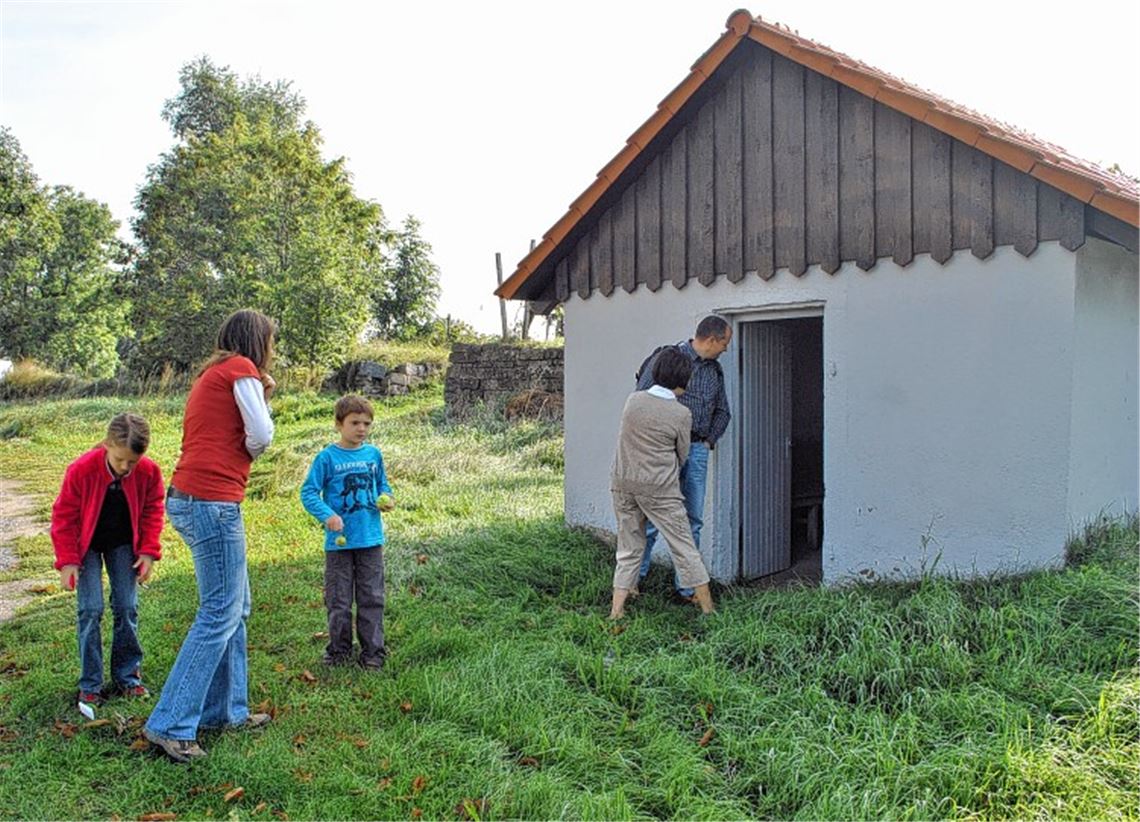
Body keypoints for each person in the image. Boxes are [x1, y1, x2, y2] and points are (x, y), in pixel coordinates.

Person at [144, 308, 276, 764]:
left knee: (235, 608)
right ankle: (171, 725)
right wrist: (258, 428)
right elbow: (260, 433)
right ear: (258, 342)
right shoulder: (241, 369)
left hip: (190, 496)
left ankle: (227, 712)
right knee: (220, 612)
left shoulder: (214, 373)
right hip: (212, 502)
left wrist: (263, 394)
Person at [51, 413, 165, 711]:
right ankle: (90, 684)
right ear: (106, 446)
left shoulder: (149, 473)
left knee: (126, 606)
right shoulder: (81, 470)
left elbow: (153, 509)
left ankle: (127, 676)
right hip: (85, 544)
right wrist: (68, 561)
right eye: (120, 460)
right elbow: (64, 517)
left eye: (133, 462)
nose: (126, 468)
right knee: (90, 609)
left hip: (123, 544)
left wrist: (148, 551)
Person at [611, 348, 715, 618]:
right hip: (659, 489)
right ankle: (708, 609)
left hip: (623, 483)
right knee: (684, 547)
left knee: (629, 547)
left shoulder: (632, 401)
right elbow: (682, 454)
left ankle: (616, 611)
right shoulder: (681, 414)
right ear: (685, 378)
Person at [635, 315, 732, 600]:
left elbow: (723, 411)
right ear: (712, 339)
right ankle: (634, 582)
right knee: (651, 517)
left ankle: (687, 589)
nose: (726, 349)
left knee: (693, 520)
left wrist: (708, 441)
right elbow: (643, 403)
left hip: (698, 451)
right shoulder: (668, 359)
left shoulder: (715, 371)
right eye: (724, 343)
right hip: (664, 452)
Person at [300, 395, 395, 670]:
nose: (362, 428)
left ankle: (373, 653)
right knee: (339, 599)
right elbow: (308, 492)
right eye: (355, 422)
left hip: (370, 539)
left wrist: (387, 498)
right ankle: (339, 651)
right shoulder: (327, 457)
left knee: (372, 597)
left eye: (367, 423)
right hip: (339, 544)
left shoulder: (373, 455)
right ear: (339, 424)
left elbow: (383, 486)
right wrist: (327, 514)